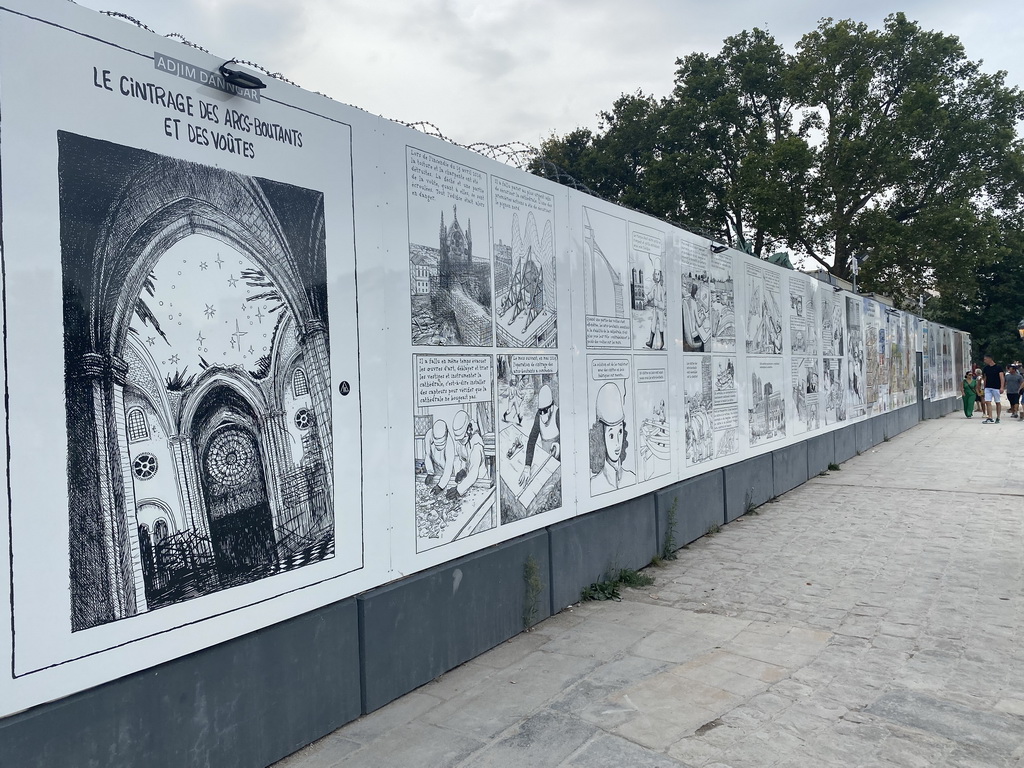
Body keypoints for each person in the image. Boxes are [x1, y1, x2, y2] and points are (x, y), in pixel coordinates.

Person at [589, 382, 636, 494]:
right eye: (611, 435)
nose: (617, 442)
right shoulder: (594, 485)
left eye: (620, 431)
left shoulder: (632, 478)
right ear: (600, 438)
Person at [519, 384, 560, 486]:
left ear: (551, 407)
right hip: (547, 458)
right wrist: (527, 466)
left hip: (560, 459)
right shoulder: (539, 415)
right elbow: (532, 440)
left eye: (545, 411)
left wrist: (559, 444)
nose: (543, 414)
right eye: (540, 411)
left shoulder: (558, 413)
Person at [449, 409, 488, 498]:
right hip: (468, 483)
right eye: (459, 439)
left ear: (469, 429)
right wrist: (463, 470)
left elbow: (474, 471)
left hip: (481, 482)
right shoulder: (460, 442)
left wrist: (458, 490)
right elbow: (464, 460)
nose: (461, 440)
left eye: (463, 437)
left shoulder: (476, 443)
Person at [423, 420, 456, 494]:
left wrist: (441, 486)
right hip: (435, 469)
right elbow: (427, 454)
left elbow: (449, 466)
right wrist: (430, 472)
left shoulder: (450, 443)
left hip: (447, 473)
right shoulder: (428, 435)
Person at [981, 354, 1005, 424]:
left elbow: (1002, 377)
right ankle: (990, 417)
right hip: (988, 387)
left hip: (996, 387)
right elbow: (985, 378)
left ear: (990, 359)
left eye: (985, 359)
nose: (984, 361)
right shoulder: (986, 368)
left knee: (997, 402)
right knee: (987, 401)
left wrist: (1002, 387)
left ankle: (998, 417)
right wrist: (984, 387)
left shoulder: (998, 368)